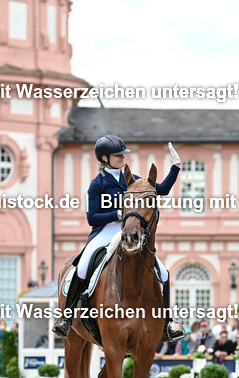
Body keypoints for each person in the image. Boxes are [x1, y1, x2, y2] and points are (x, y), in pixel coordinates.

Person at [53, 135, 185, 342]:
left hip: (130, 230)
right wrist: (116, 214)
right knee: (83, 266)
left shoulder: (133, 180)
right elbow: (92, 218)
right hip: (105, 231)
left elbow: (162, 189)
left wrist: (175, 168)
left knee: (163, 273)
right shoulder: (97, 184)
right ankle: (66, 319)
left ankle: (167, 323)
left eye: (123, 154)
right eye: (118, 155)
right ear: (104, 158)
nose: (123, 157)